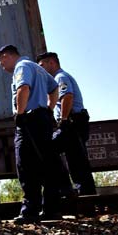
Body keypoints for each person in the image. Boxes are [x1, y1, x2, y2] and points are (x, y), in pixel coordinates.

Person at [0, 45, 62, 223]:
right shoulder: (37, 68)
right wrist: (49, 108)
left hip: (30, 121)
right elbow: (54, 88)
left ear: (7, 56)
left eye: (1, 59)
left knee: (26, 166)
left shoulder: (21, 66)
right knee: (46, 164)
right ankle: (51, 209)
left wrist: (20, 113)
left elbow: (23, 88)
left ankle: (30, 211)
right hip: (43, 120)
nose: (1, 64)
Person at [37, 52, 97, 196]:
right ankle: (84, 195)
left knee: (50, 150)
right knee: (76, 160)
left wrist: (63, 120)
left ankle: (69, 189)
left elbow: (67, 96)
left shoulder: (60, 77)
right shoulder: (58, 78)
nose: (41, 69)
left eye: (42, 65)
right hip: (73, 122)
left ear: (51, 63)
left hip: (72, 123)